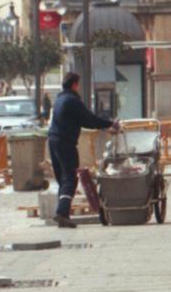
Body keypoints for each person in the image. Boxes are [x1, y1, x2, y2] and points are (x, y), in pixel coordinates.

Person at [48, 72, 120, 228]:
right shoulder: (72, 101)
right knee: (70, 178)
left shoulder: (59, 99)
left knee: (62, 179)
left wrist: (105, 126)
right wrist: (109, 124)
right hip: (65, 142)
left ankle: (63, 214)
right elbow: (89, 119)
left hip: (53, 140)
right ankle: (61, 213)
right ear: (74, 84)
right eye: (78, 84)